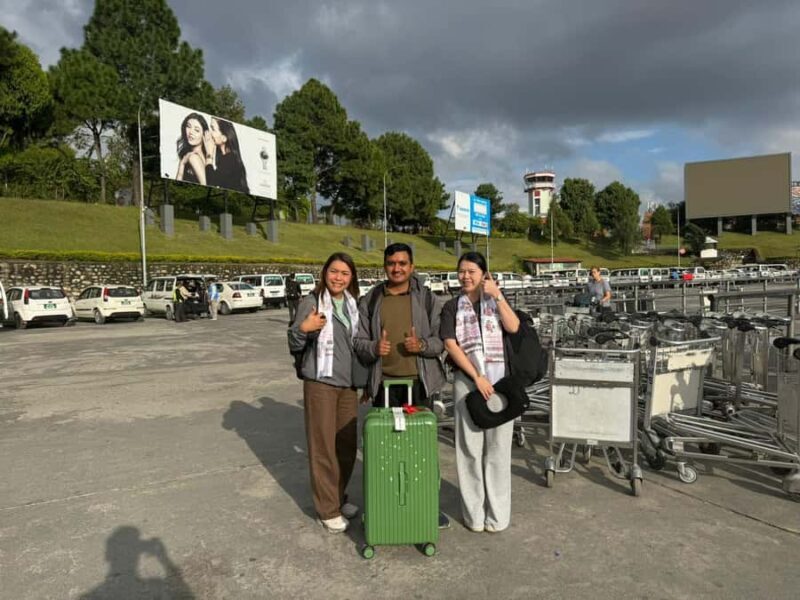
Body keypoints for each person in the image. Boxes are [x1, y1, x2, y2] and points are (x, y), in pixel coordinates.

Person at [353, 242, 450, 528]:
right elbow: (358, 342)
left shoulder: (427, 300)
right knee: (386, 449)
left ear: (412, 266)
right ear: (385, 266)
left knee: (421, 449)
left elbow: (441, 341)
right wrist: (374, 347)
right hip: (384, 386)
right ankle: (389, 503)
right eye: (391, 263)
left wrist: (420, 345)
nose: (397, 268)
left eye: (402, 263)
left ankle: (427, 506)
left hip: (418, 386)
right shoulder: (371, 300)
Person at [439, 252, 520, 534]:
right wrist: (477, 376)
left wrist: (497, 295)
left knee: (498, 450)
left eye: (471, 271)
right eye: (461, 271)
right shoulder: (452, 307)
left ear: (484, 274)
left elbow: (514, 327)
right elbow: (450, 344)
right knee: (469, 450)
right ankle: (473, 515)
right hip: (467, 382)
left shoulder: (494, 300)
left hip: (499, 381)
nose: (465, 276)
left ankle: (498, 515)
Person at [288, 253, 361, 534]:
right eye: (334, 271)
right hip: (320, 382)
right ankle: (326, 509)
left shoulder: (352, 304)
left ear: (351, 277)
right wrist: (303, 329)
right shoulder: (312, 301)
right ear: (324, 272)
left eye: (344, 273)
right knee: (323, 448)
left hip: (348, 385)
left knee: (345, 446)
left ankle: (339, 497)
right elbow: (294, 339)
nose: (338, 277)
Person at [203, 117, 250, 194]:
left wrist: (209, 154)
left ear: (224, 138)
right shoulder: (227, 158)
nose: (210, 132)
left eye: (213, 129)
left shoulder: (231, 159)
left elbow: (211, 181)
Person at [175, 112, 210, 186]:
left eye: (196, 130)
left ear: (204, 134)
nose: (191, 132)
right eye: (188, 126)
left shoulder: (193, 157)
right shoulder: (204, 156)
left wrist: (182, 164)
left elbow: (206, 184)